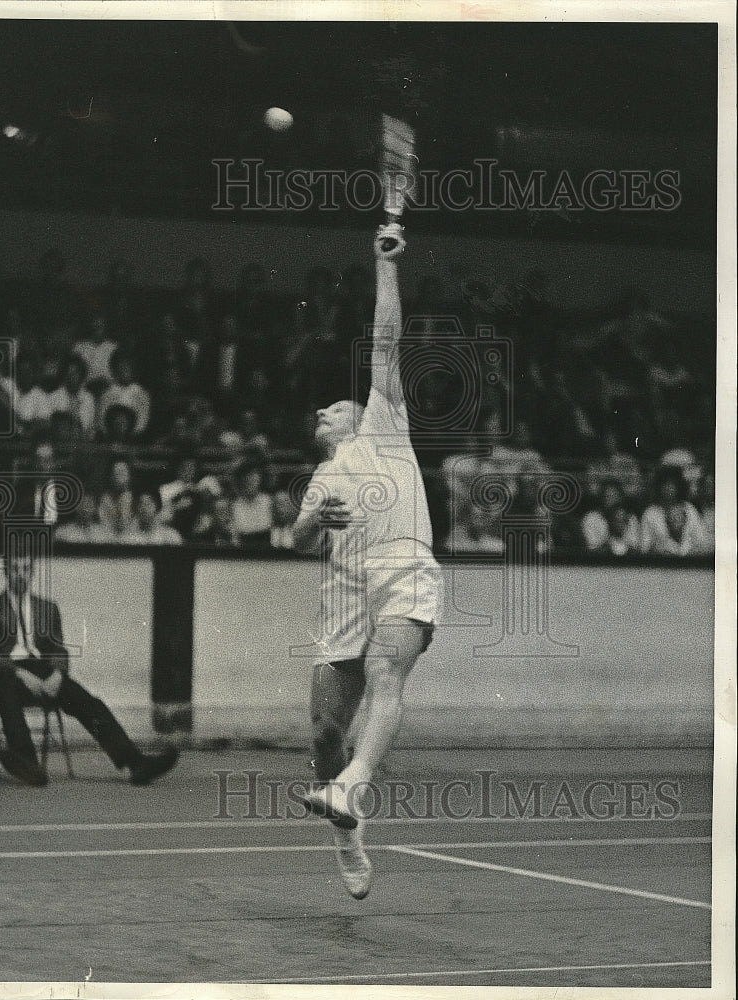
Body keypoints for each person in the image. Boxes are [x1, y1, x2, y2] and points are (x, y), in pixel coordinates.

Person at [293, 224, 443, 899]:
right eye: (319, 411)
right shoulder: (322, 478)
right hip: (344, 596)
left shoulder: (386, 422)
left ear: (361, 412)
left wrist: (386, 268)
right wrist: (312, 522)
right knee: (326, 733)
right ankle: (348, 833)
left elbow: (386, 340)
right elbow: (296, 538)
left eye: (334, 403)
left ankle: (355, 786)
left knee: (387, 669)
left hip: (404, 569)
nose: (325, 409)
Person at [0, 546, 179, 787]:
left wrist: (58, 674)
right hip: (5, 673)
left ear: (32, 573)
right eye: (15, 569)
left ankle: (135, 763)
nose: (21, 574)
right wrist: (19, 673)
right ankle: (28, 763)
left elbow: (58, 648)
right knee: (7, 695)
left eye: (26, 569)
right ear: (6, 572)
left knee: (84, 700)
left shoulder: (46, 607)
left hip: (41, 670)